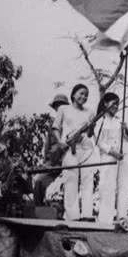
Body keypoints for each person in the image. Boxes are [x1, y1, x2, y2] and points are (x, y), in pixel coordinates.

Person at [52, 84, 96, 221]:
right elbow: (56, 127)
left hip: (86, 149)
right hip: (71, 148)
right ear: (73, 94)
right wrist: (60, 142)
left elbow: (90, 134)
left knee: (88, 181)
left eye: (86, 95)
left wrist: (91, 127)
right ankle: (73, 216)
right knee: (70, 181)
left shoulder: (90, 112)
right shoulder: (63, 109)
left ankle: (87, 215)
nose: (84, 97)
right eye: (81, 93)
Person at [94, 93, 128, 223]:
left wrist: (126, 129)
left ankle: (122, 218)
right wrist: (112, 152)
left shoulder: (119, 121)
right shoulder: (100, 120)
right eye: (113, 103)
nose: (115, 106)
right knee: (107, 187)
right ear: (105, 103)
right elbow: (98, 141)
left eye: (117, 104)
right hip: (108, 157)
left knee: (124, 186)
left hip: (123, 157)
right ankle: (105, 219)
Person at [33, 94, 70, 207]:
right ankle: (39, 210)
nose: (59, 109)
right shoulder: (52, 125)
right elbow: (47, 147)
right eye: (57, 107)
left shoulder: (70, 123)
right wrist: (47, 163)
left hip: (68, 164)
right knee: (38, 182)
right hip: (53, 165)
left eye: (62, 106)